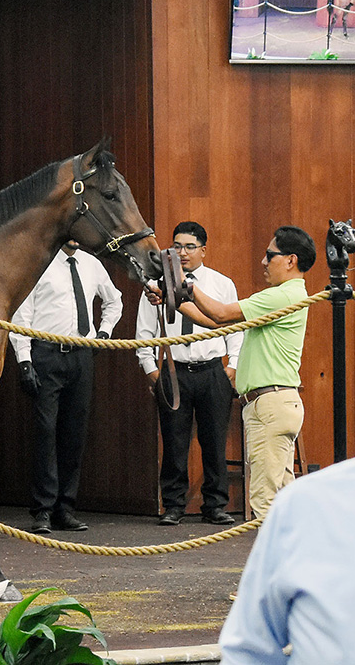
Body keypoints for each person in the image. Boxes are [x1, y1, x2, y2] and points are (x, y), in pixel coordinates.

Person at [157, 225, 315, 520]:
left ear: (290, 260)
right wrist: (173, 299)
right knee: (280, 496)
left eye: (270, 255)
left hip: (270, 404)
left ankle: (271, 552)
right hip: (273, 402)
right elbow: (216, 323)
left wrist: (185, 285)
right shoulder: (287, 294)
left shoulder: (281, 296)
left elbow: (220, 313)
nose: (263, 262)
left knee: (264, 502)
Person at [11, 241, 122, 534]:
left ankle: (65, 508)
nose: (75, 239)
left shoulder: (92, 264)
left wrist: (104, 333)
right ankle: (43, 510)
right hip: (46, 353)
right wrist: (24, 360)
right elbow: (22, 315)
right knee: (46, 432)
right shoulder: (40, 262)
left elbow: (115, 301)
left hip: (82, 354)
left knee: (75, 432)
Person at [136, 221, 240, 526]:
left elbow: (235, 330)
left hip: (212, 372)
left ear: (203, 250)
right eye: (177, 246)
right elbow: (144, 335)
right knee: (174, 443)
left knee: (214, 442)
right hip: (173, 372)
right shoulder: (156, 286)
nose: (182, 253)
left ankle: (215, 505)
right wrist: (153, 373)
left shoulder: (222, 283)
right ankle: (173, 505)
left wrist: (232, 367)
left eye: (190, 247)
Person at [219, 456, 355, 663]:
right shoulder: (308, 500)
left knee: (265, 492)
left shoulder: (310, 501)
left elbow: (248, 651)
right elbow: (247, 652)